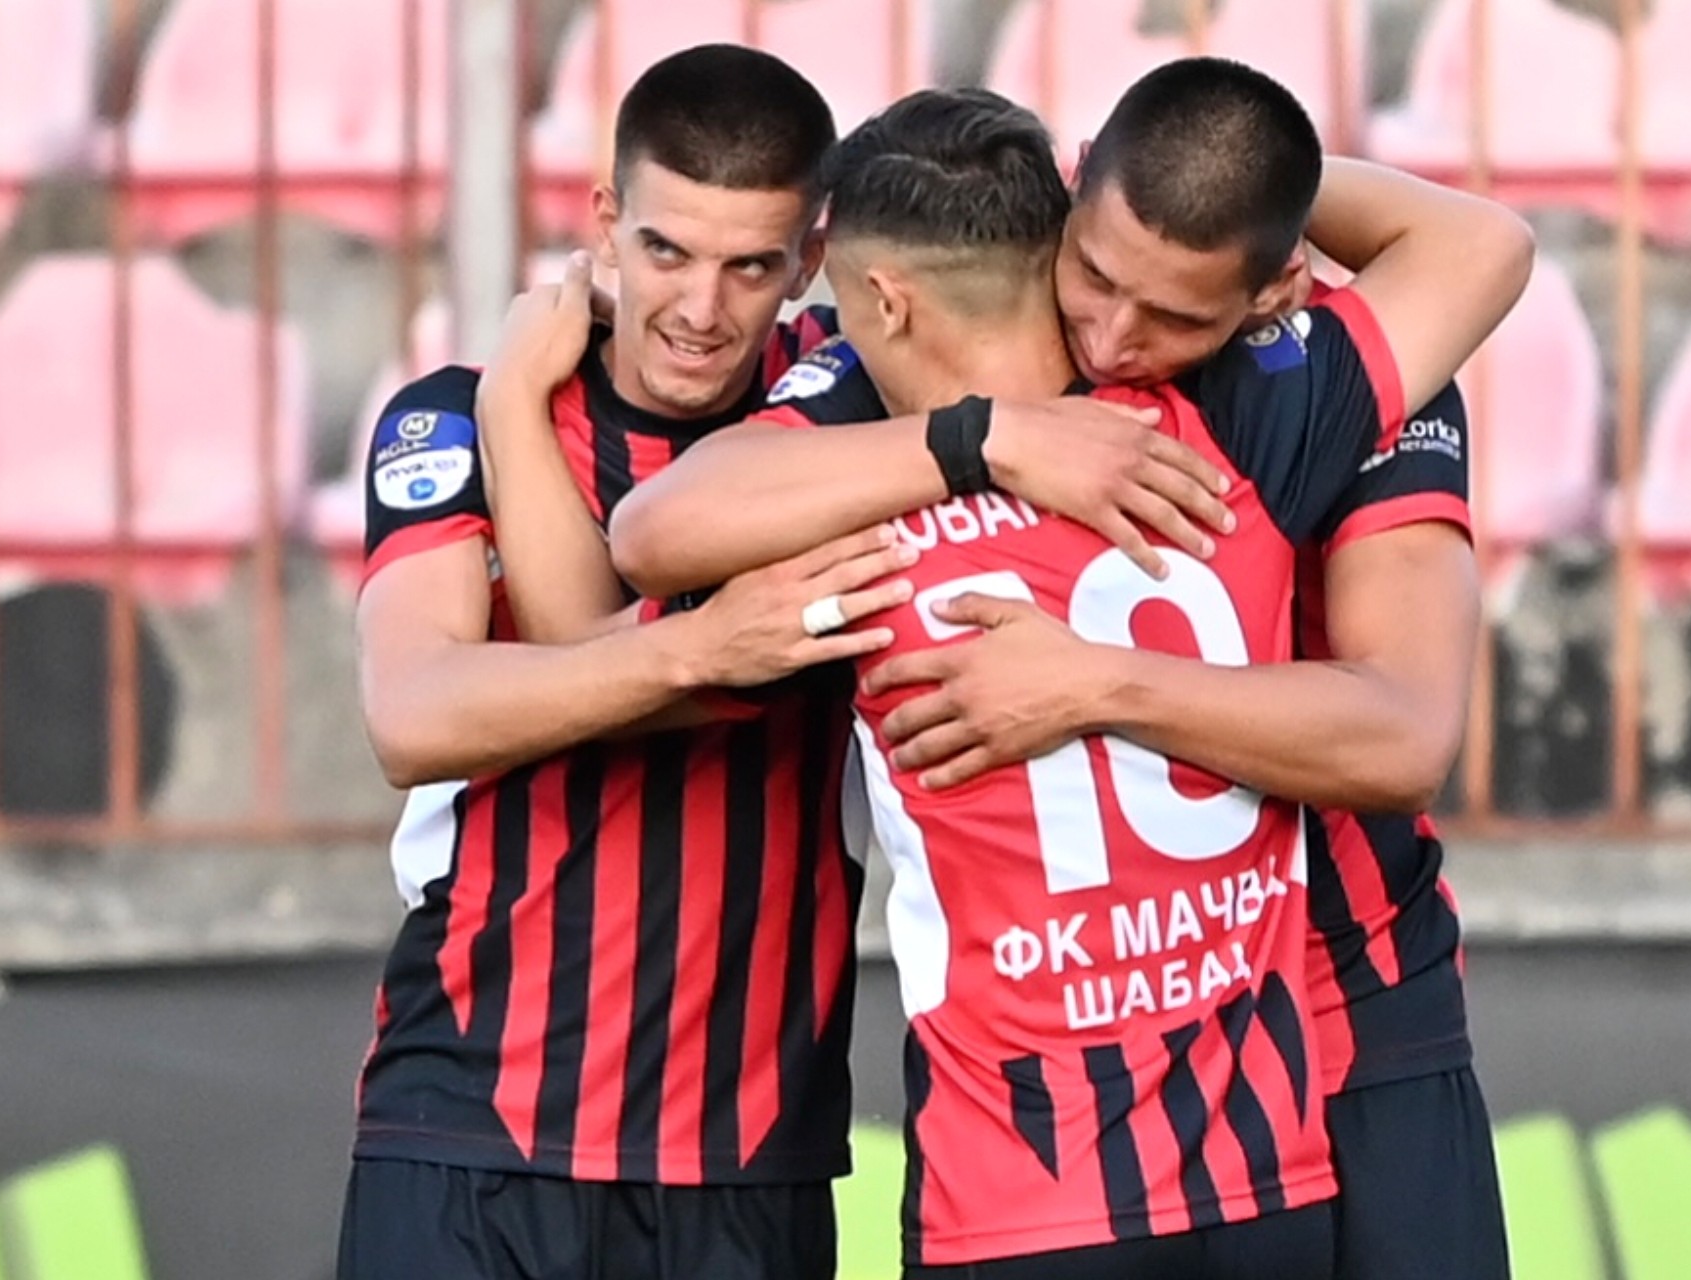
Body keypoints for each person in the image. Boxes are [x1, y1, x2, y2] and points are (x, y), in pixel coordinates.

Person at [610, 61, 1524, 1280]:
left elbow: (1403, 736)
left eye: (1177, 312)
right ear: (1072, 199)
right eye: (1092, 273)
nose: (1113, 336)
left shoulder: (1309, 384)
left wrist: (1092, 681)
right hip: (1168, 1123)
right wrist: (982, 436)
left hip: (1360, 1015)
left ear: (1272, 284)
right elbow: (662, 527)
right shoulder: (899, 395)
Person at [341, 44, 1239, 1280]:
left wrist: (1241, 289)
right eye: (666, 251)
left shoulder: (852, 407)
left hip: (750, 1150)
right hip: (470, 1116)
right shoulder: (455, 411)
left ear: (815, 261)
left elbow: (1060, 268)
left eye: (750, 266)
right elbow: (415, 713)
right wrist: (685, 631)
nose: (700, 308)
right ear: (605, 224)